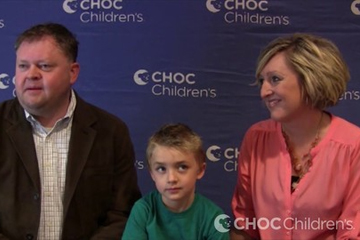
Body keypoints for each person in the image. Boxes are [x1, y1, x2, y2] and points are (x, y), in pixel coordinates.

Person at [0, 22, 141, 240]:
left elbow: (122, 213)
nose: (31, 74)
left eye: (44, 66)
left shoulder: (111, 131)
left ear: (72, 72)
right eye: (23, 66)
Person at [231, 33, 360, 239]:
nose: (264, 91)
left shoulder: (353, 145)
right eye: (262, 81)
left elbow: (353, 233)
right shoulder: (256, 138)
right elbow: (244, 224)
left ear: (311, 78)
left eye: (275, 79)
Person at [122, 123, 230, 240]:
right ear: (152, 174)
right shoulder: (143, 210)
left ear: (200, 170)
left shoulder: (215, 218)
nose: (171, 179)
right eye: (161, 169)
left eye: (182, 167)